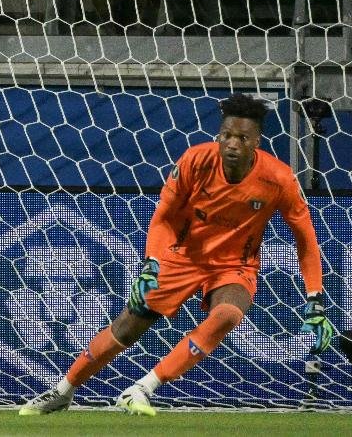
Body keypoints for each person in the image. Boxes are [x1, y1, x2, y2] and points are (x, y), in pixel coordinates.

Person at [19, 93, 334, 417]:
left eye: (242, 137)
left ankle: (142, 388)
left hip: (234, 265)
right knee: (126, 327)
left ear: (257, 141)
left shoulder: (278, 178)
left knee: (227, 314)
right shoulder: (195, 161)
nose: (232, 144)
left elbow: (306, 241)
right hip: (182, 257)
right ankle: (63, 391)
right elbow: (164, 217)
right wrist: (151, 263)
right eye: (226, 135)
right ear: (218, 135)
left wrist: (315, 299)